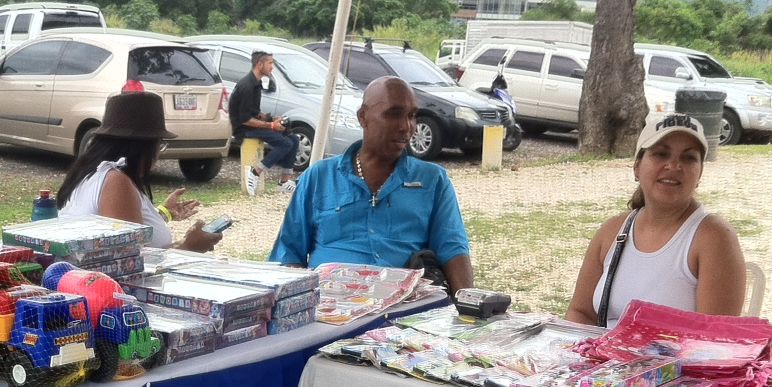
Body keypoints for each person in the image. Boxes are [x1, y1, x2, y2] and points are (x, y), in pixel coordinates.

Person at [268, 76, 474, 293]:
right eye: (394, 114)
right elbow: (288, 255)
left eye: (412, 116)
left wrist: (468, 304)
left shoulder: (433, 180)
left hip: (403, 310)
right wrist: (302, 304)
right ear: (363, 117)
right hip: (330, 311)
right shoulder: (319, 176)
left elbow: (453, 249)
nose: (407, 126)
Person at [566, 113, 746, 328]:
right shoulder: (612, 230)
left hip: (676, 362)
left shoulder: (713, 237)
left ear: (699, 174)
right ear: (637, 167)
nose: (674, 165)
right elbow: (581, 312)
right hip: (601, 359)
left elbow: (715, 342)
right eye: (661, 154)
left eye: (688, 158)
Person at [56, 92, 223, 253]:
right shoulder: (115, 181)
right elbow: (131, 260)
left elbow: (121, 228)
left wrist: (163, 214)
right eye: (159, 146)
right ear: (144, 147)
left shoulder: (91, 170)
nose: (158, 154)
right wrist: (189, 246)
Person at [228, 50, 299, 193]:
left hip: (252, 124)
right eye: (270, 63)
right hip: (243, 128)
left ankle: (284, 182)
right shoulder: (246, 86)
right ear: (260, 64)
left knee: (294, 138)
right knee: (285, 143)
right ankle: (255, 172)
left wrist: (272, 118)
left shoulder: (256, 83)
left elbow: (255, 112)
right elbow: (245, 119)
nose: (272, 67)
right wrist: (271, 126)